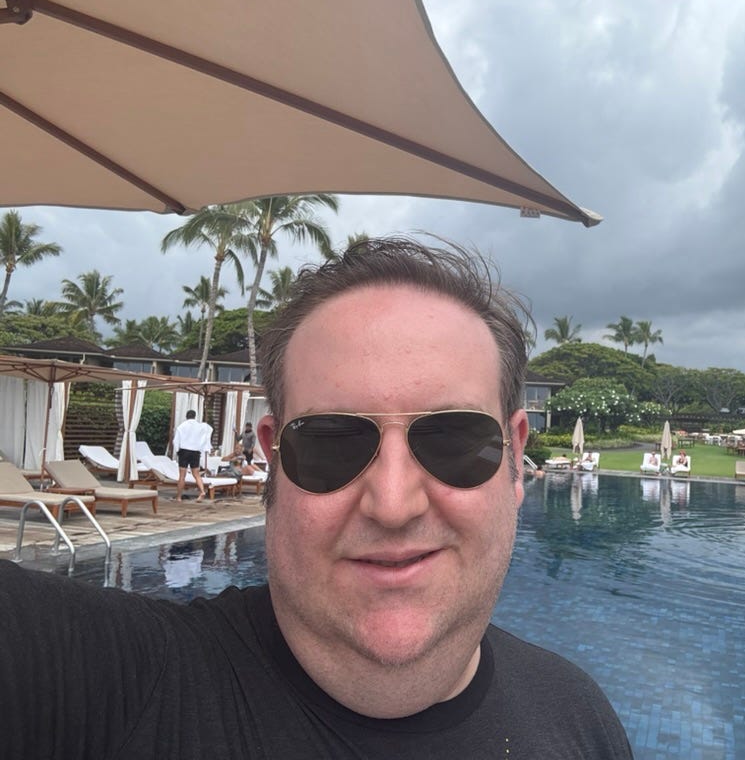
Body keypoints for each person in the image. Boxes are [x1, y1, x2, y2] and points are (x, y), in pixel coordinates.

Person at [0, 237, 633, 758]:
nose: (392, 502)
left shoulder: (579, 721)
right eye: (331, 442)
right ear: (274, 456)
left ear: (516, 460)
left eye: (451, 440)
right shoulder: (117, 685)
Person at [172, 408, 211, 501]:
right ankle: (202, 491)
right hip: (195, 452)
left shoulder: (181, 426)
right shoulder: (200, 426)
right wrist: (204, 447)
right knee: (196, 474)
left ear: (186, 416)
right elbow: (209, 430)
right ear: (195, 416)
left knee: (182, 476)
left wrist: (177, 451)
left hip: (184, 451)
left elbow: (176, 441)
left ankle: (178, 497)